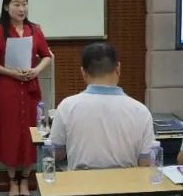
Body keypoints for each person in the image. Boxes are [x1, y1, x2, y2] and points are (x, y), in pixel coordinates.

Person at [0, 0, 53, 196]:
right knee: (10, 133)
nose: (21, 9)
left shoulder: (35, 29)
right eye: (16, 4)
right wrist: (10, 72)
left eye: (24, 4)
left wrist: (36, 70)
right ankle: (12, 180)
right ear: (6, 7)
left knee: (32, 132)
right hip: (8, 88)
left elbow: (46, 55)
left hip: (31, 88)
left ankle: (25, 179)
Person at [49, 42, 155, 171]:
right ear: (118, 68)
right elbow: (146, 163)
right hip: (126, 183)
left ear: (83, 72)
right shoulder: (140, 111)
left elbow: (55, 153)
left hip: (81, 183)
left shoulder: (67, 106)